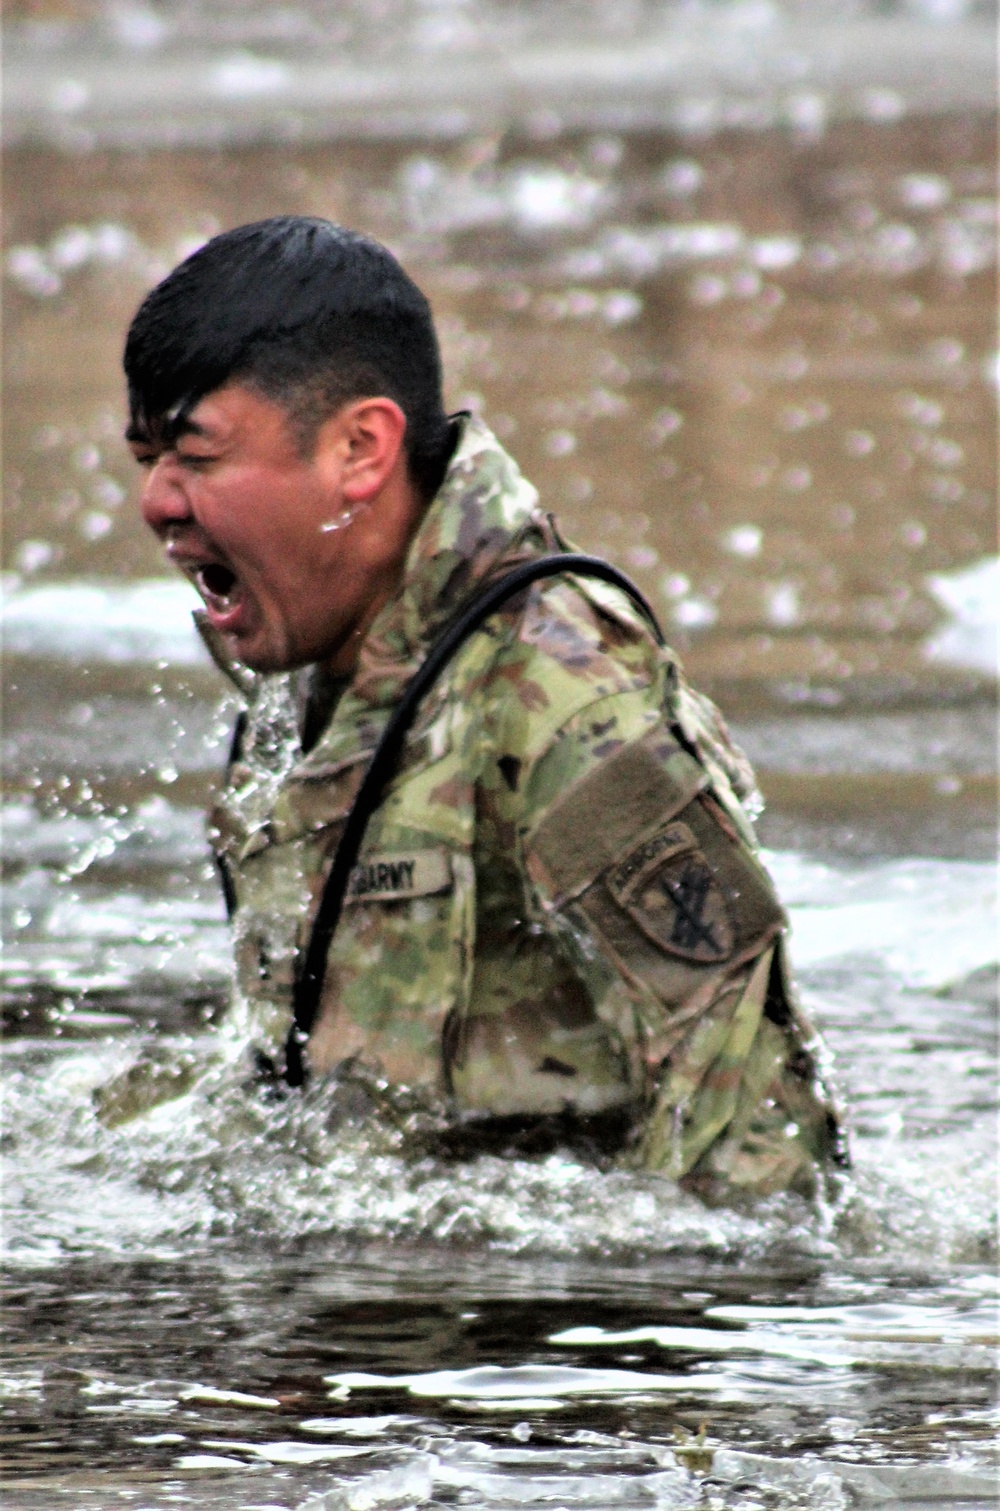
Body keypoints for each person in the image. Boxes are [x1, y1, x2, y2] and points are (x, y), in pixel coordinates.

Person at [111, 215, 845, 1198]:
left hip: (525, 1339)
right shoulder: (310, 663)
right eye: (145, 459)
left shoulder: (554, 685)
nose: (157, 502)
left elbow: (761, 1146)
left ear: (360, 450)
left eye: (194, 457)